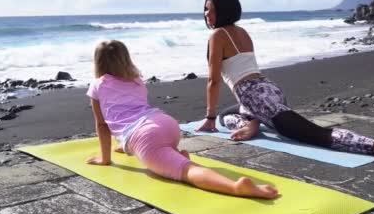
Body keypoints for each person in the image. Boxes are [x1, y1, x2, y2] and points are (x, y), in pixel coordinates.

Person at [195, 0, 374, 163]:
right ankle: (253, 122)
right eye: (205, 9)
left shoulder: (216, 36)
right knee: (227, 115)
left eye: (211, 10)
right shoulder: (243, 32)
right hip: (268, 90)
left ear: (223, 12)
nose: (207, 14)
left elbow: (214, 80)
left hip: (256, 98)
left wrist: (208, 117)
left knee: (316, 134)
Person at [86, 39, 279, 199]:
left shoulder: (97, 85)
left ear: (98, 63)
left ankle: (236, 187)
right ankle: (172, 154)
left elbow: (103, 124)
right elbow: (134, 110)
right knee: (159, 149)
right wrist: (126, 143)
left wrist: (105, 159)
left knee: (188, 172)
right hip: (165, 123)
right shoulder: (136, 80)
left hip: (146, 135)